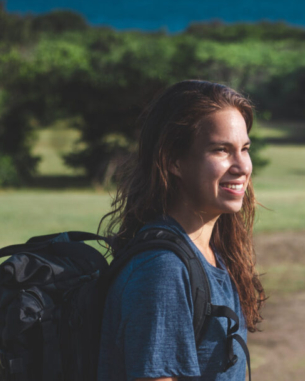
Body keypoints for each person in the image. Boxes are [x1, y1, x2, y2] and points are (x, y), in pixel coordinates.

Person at [96, 80, 266, 381]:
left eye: (245, 149)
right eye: (221, 150)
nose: (242, 166)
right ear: (173, 160)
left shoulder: (211, 255)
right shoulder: (163, 271)